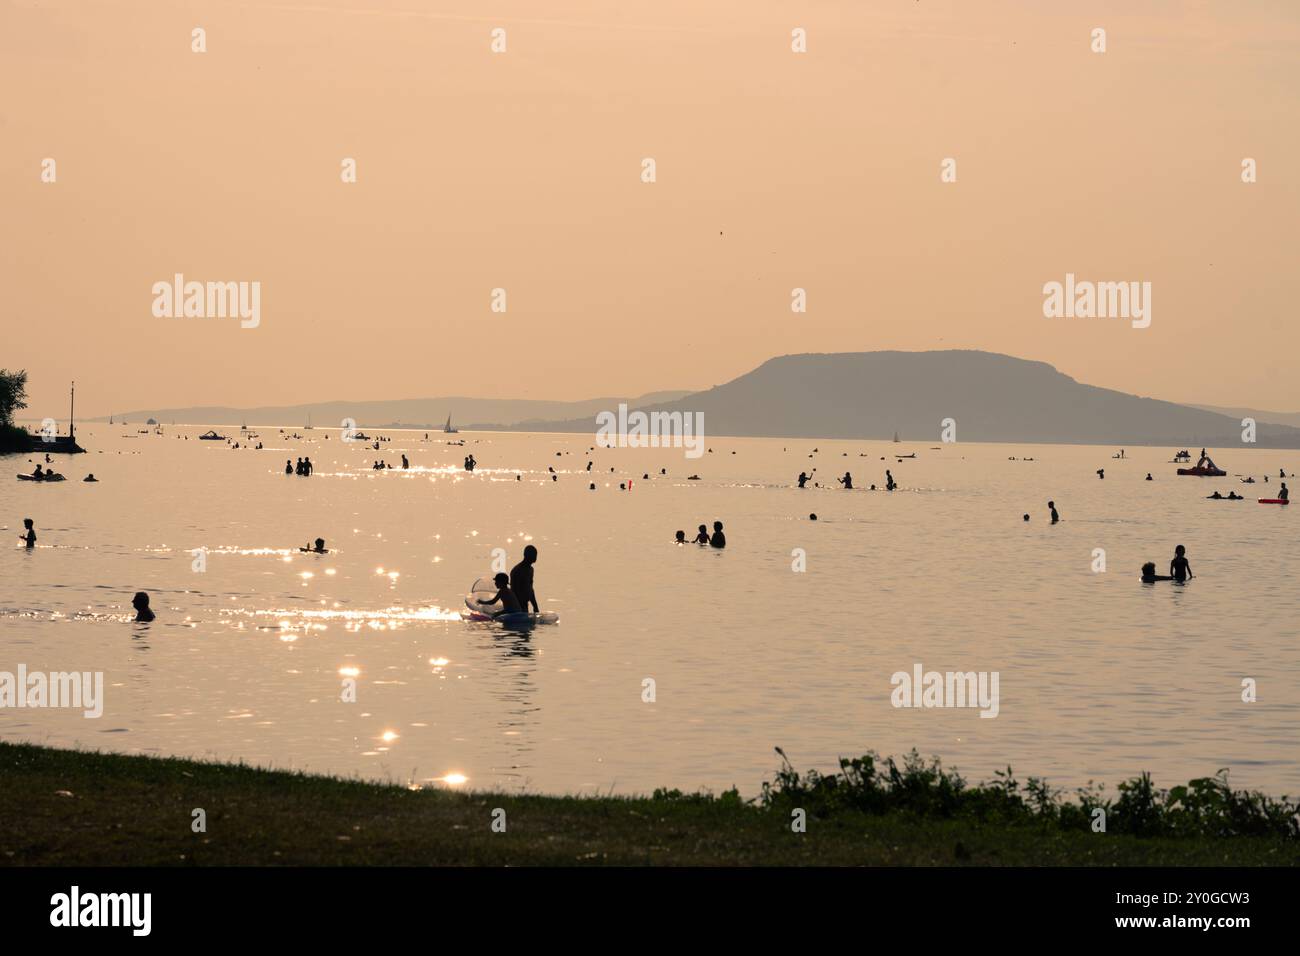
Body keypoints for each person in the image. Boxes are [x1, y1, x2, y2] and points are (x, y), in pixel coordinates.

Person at [510, 545, 539, 614]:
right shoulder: (517, 570)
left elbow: (530, 589)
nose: (535, 557)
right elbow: (514, 589)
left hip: (525, 604)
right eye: (533, 555)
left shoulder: (530, 570)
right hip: (517, 605)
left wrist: (535, 606)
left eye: (535, 555)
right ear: (526, 555)